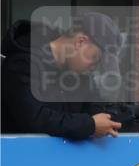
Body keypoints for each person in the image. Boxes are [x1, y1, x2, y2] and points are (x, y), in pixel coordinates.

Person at [1, 11, 123, 139]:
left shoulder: (81, 75)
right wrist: (89, 125)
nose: (94, 68)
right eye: (95, 58)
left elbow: (98, 111)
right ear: (80, 42)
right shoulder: (22, 63)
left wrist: (120, 117)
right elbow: (33, 118)